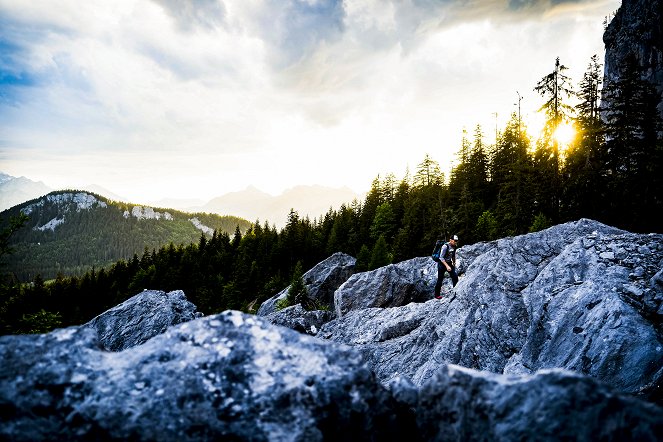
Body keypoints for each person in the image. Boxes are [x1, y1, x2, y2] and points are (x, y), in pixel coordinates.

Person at [433, 234, 458, 299]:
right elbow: (441, 258)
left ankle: (455, 291)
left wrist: (454, 262)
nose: (455, 242)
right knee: (440, 279)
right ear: (450, 240)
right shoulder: (445, 246)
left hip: (449, 263)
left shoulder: (454, 246)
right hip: (442, 264)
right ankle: (437, 295)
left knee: (455, 277)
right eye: (454, 240)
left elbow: (453, 255)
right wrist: (447, 266)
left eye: (456, 241)